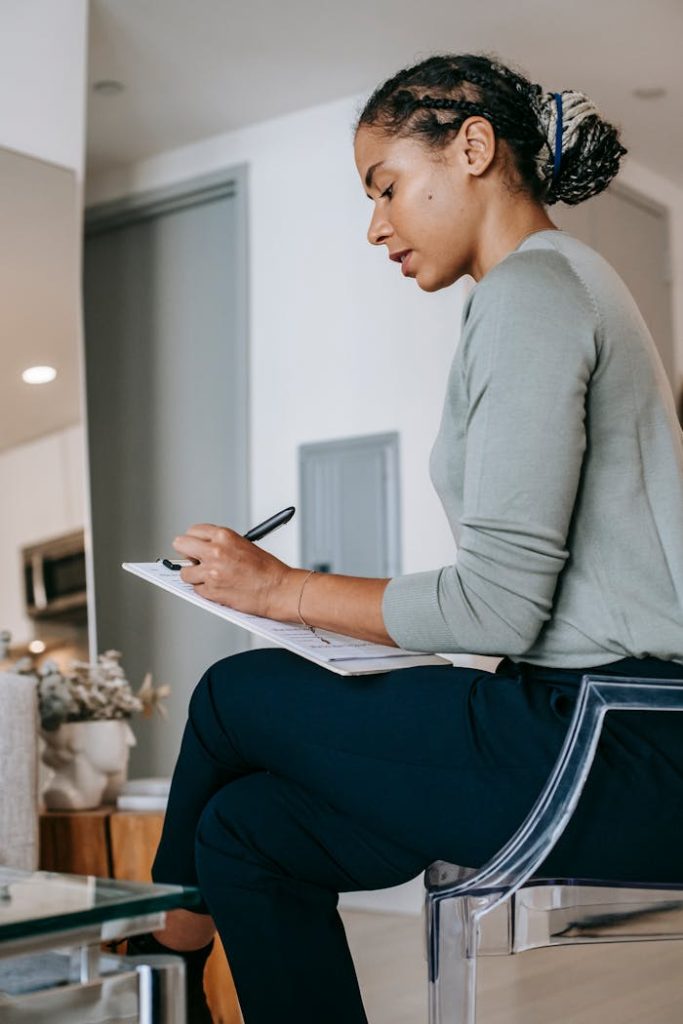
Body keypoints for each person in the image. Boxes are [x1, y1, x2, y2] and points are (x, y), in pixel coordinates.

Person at [126, 52, 683, 1023]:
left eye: (384, 186)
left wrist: (278, 591)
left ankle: (169, 947)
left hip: (615, 740)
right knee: (245, 829)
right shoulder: (520, 296)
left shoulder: (533, 293)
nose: (374, 223)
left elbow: (499, 602)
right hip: (585, 725)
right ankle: (178, 933)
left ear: (471, 147)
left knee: (229, 695)